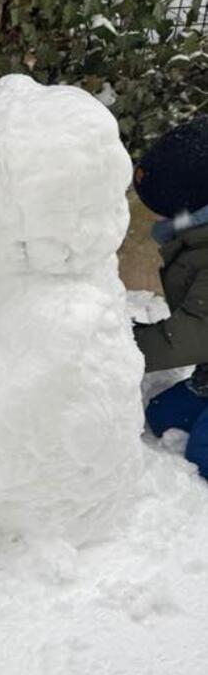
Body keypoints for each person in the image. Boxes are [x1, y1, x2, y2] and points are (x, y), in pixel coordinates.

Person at [132, 116, 208, 477]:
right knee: (164, 416)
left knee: (203, 452)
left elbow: (196, 333)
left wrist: (120, 348)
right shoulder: (194, 239)